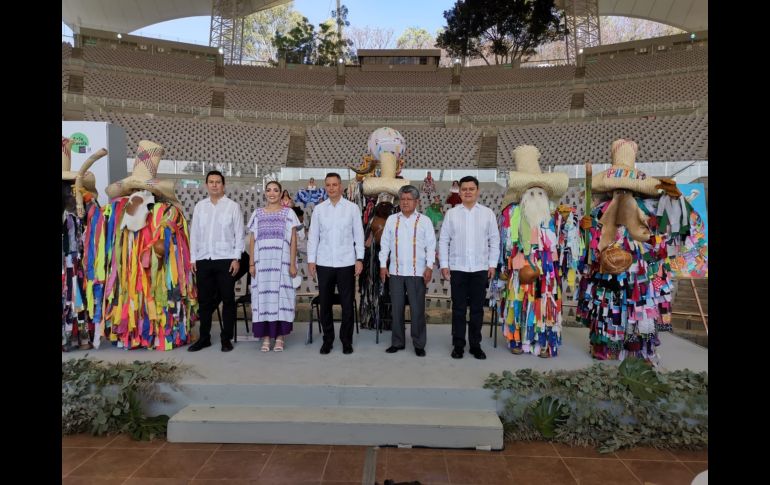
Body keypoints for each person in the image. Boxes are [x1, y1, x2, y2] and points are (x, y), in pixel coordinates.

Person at [83, 140, 196, 350]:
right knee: (131, 298)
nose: (138, 192)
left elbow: (177, 239)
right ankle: (132, 336)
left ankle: (161, 334)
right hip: (127, 270)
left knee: (157, 298)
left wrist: (165, 233)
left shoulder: (167, 211)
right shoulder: (114, 211)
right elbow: (103, 234)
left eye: (142, 188)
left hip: (158, 270)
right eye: (135, 188)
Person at [493, 145, 579, 358]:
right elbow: (504, 242)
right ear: (522, 194)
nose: (535, 196)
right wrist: (503, 267)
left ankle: (546, 343)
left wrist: (575, 224)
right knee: (517, 302)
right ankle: (515, 339)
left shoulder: (558, 215)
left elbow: (568, 241)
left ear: (547, 194)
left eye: (540, 192)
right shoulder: (511, 213)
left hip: (547, 271)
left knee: (544, 305)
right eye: (530, 192)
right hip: (519, 267)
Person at [439, 176, 499, 359]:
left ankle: (475, 345)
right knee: (458, 309)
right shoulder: (452, 213)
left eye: (471, 189)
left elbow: (494, 241)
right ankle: (458, 345)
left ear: (477, 191)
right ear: (460, 191)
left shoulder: (488, 213)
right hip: (458, 268)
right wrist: (444, 264)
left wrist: (492, 264)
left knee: (477, 310)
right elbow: (443, 240)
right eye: (464, 189)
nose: (467, 192)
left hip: (480, 269)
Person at [307, 172, 365, 355]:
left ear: (341, 187)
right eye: (328, 185)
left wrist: (360, 259)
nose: (331, 188)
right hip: (324, 263)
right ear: (325, 187)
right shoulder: (319, 209)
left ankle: (346, 341)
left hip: (346, 262)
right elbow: (313, 236)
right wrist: (311, 260)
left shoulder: (352, 208)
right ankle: (328, 340)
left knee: (347, 305)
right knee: (325, 304)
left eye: (335, 185)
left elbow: (359, 235)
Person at [189, 170, 244, 352]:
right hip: (204, 259)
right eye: (211, 182)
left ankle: (226, 338)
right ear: (206, 185)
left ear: (223, 184)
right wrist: (193, 258)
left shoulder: (232, 206)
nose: (214, 185)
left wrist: (236, 258)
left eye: (217, 182)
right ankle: (204, 338)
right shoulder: (200, 207)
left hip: (226, 259)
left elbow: (239, 235)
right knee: (204, 302)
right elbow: (194, 234)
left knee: (228, 300)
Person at [379, 185, 436, 357]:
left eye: (408, 199)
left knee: (417, 309)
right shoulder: (391, 220)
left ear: (416, 201)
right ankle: (397, 342)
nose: (405, 202)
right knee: (396, 309)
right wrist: (383, 265)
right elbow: (385, 244)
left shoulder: (425, 221)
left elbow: (431, 246)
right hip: (395, 272)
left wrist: (429, 266)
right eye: (402, 199)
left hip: (417, 273)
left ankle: (419, 343)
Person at [247, 181, 299, 352]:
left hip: (282, 264)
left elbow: (293, 241)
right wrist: (251, 263)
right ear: (264, 193)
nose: (272, 193)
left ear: (281, 193)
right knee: (263, 300)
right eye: (268, 190)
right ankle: (266, 337)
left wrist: (292, 264)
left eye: (276, 190)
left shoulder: (289, 213)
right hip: (262, 265)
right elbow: (252, 240)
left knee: (281, 299)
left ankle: (280, 337)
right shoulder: (257, 213)